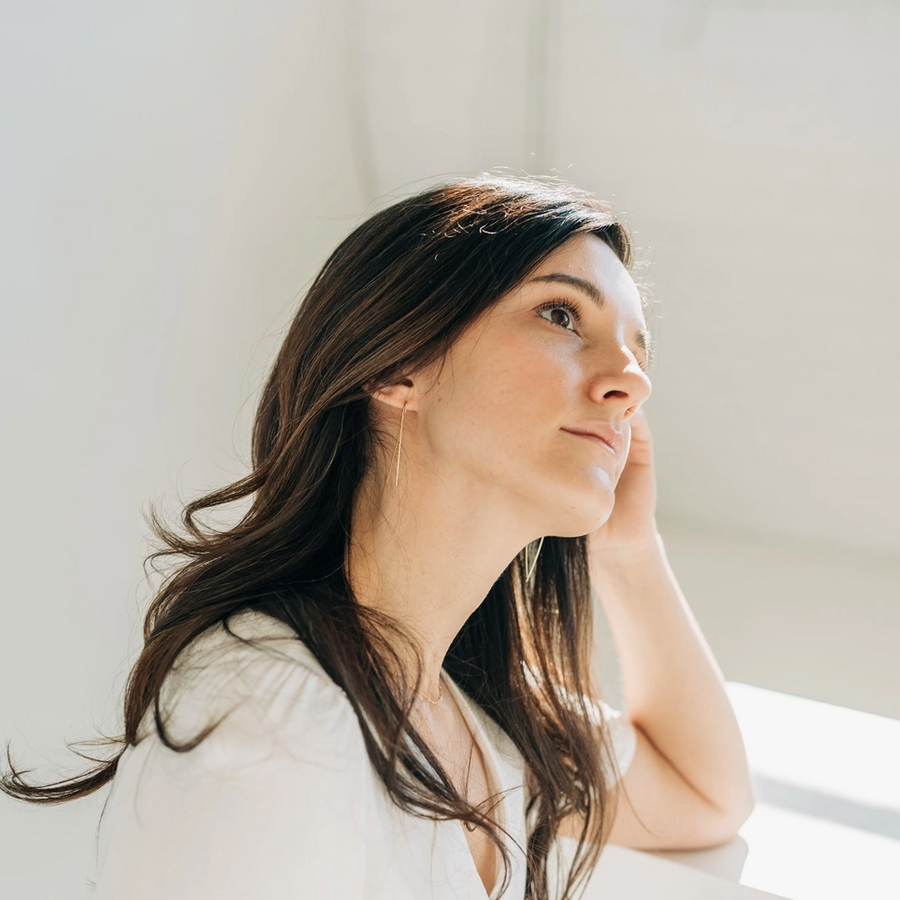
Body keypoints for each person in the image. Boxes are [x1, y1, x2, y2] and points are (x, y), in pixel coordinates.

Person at [1, 174, 754, 900]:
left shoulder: (482, 730)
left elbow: (705, 792)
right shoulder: (272, 714)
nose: (633, 381)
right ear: (398, 364)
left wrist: (629, 551)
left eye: (638, 350)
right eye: (561, 315)